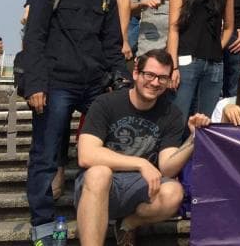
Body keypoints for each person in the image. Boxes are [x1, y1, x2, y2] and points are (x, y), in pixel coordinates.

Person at [24, 0, 127, 245]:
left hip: (95, 83)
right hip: (55, 82)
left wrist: (119, 78)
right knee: (45, 153)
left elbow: (113, 42)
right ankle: (41, 222)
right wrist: (35, 84)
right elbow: (35, 37)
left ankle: (104, 209)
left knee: (109, 149)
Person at [74, 49, 208, 246]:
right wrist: (140, 164)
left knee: (174, 192)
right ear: (136, 73)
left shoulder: (171, 114)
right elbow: (86, 155)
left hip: (140, 188)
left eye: (162, 77)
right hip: (98, 187)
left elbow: (168, 167)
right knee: (99, 173)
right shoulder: (106, 103)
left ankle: (127, 224)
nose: (155, 82)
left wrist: (193, 139)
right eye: (150, 75)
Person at [167, 0, 234, 118]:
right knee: (179, 116)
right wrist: (172, 66)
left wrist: (217, 47)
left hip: (214, 64)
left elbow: (229, 27)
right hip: (185, 62)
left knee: (207, 119)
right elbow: (173, 28)